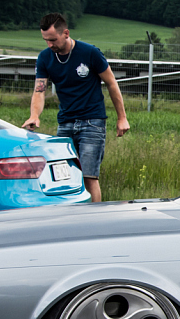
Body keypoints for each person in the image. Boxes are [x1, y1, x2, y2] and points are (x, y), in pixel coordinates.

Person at [22, 13, 129, 202]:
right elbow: (39, 91)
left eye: (53, 40)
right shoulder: (45, 58)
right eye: (46, 40)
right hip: (65, 122)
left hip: (92, 122)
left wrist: (122, 118)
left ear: (66, 33)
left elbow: (111, 83)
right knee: (64, 177)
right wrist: (34, 115)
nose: (50, 44)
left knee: (89, 177)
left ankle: (93, 216)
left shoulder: (89, 53)